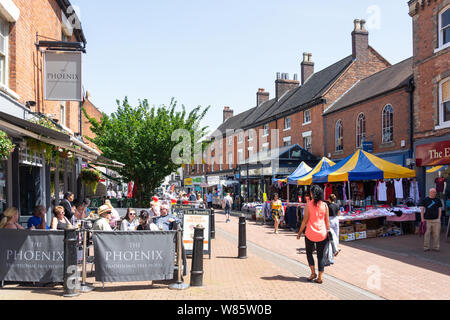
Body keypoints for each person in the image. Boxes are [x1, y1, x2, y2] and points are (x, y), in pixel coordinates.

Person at [297, 185, 330, 284]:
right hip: (322, 234)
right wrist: (328, 232)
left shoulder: (308, 205)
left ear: (312, 194)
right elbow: (327, 222)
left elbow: (304, 221)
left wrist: (299, 233)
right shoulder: (325, 205)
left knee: (309, 253)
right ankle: (320, 277)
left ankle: (313, 273)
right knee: (321, 255)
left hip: (310, 233)